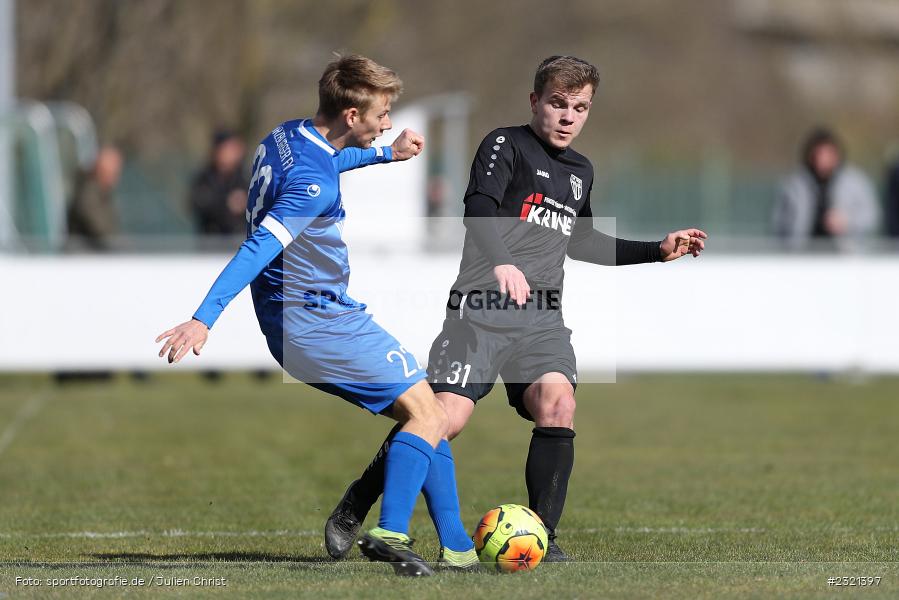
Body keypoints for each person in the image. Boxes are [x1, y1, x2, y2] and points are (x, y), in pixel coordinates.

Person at [324, 55, 707, 562]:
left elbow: (584, 240)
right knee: (441, 419)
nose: (568, 116)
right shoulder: (505, 144)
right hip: (479, 314)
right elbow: (478, 209)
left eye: (580, 107)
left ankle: (541, 537)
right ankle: (357, 501)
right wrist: (502, 262)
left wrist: (656, 250)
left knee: (559, 403)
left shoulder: (580, 171)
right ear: (535, 102)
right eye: (558, 104)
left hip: (541, 321)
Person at [155, 55, 478, 576]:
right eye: (382, 113)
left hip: (300, 322)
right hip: (317, 320)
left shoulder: (287, 136)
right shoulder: (313, 185)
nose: (388, 122)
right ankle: (391, 530)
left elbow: (327, 164)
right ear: (352, 115)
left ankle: (458, 548)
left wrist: (383, 156)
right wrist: (203, 318)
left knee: (431, 413)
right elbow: (260, 246)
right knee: (431, 414)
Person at [773, 128, 879, 252]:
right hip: (802, 255)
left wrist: (847, 222)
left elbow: (871, 217)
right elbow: (778, 221)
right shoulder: (794, 184)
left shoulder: (855, 181)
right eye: (818, 154)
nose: (822, 160)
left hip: (845, 255)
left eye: (827, 154)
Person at [188, 130, 249, 237]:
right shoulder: (205, 178)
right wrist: (227, 203)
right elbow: (198, 203)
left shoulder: (245, 178)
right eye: (229, 148)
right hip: (210, 243)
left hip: (239, 241)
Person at [67, 146, 123, 251]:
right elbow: (101, 230)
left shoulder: (102, 193)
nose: (116, 176)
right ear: (101, 169)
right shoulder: (88, 194)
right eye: (114, 171)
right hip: (85, 259)